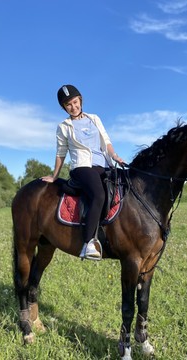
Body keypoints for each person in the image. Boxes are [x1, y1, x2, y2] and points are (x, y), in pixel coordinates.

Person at [41, 85, 125, 260]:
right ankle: (88, 243)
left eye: (75, 102)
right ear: (64, 108)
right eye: (68, 105)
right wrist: (55, 175)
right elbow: (61, 152)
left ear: (80, 100)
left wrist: (114, 155)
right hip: (82, 167)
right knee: (99, 195)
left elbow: (106, 141)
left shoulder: (94, 118)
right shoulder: (64, 126)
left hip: (104, 164)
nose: (73, 107)